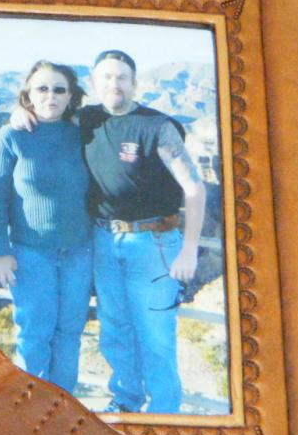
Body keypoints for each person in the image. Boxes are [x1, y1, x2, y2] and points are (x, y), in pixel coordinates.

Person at [11, 49, 206, 414]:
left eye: (121, 77)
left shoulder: (157, 127)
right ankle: (127, 403)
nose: (114, 84)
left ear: (134, 83)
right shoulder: (88, 119)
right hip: (103, 240)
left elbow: (195, 189)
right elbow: (49, 113)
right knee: (115, 330)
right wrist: (19, 111)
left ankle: (164, 415)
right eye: (106, 77)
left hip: (154, 244)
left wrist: (190, 249)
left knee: (155, 336)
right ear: (95, 83)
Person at [0, 61, 94, 392]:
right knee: (34, 333)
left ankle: (64, 404)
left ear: (71, 96)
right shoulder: (12, 136)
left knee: (69, 333)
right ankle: (30, 405)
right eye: (42, 88)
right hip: (31, 254)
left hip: (79, 253)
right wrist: (0, 250)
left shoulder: (82, 134)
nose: (51, 96)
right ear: (28, 94)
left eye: (59, 89)